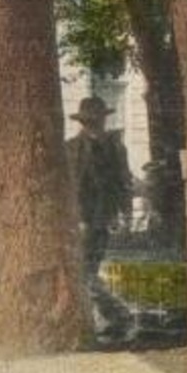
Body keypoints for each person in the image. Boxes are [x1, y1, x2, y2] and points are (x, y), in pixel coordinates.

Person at [66, 96, 135, 337]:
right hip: (79, 219)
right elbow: (70, 186)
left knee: (88, 270)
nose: (95, 126)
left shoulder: (116, 148)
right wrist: (77, 219)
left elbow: (123, 181)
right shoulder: (72, 148)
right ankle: (116, 315)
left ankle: (113, 317)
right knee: (84, 271)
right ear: (83, 123)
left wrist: (126, 213)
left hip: (103, 217)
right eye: (89, 122)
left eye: (98, 121)